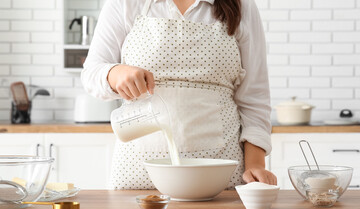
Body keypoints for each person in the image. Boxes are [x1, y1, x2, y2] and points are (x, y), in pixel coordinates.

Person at [81, 0, 277, 189]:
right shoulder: (125, 3)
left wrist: (255, 165)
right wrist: (115, 73)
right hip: (138, 175)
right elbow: (91, 72)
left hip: (221, 177)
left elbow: (255, 98)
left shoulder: (242, 5)